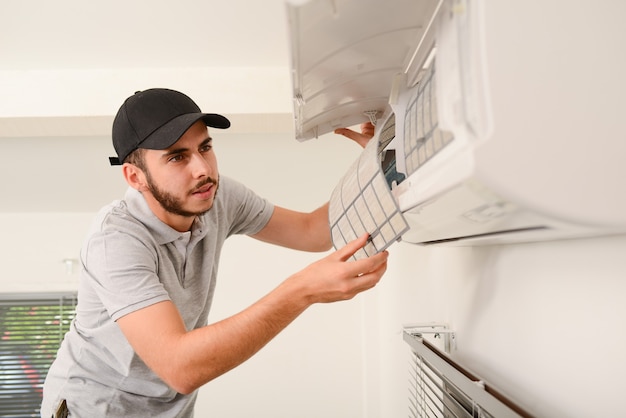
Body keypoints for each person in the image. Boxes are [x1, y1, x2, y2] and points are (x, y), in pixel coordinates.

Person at [40, 88, 388, 417]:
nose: (202, 169)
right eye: (177, 157)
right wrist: (302, 290)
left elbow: (312, 232)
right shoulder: (115, 240)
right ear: (135, 177)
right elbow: (180, 366)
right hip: (95, 409)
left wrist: (379, 161)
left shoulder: (217, 197)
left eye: (204, 148)